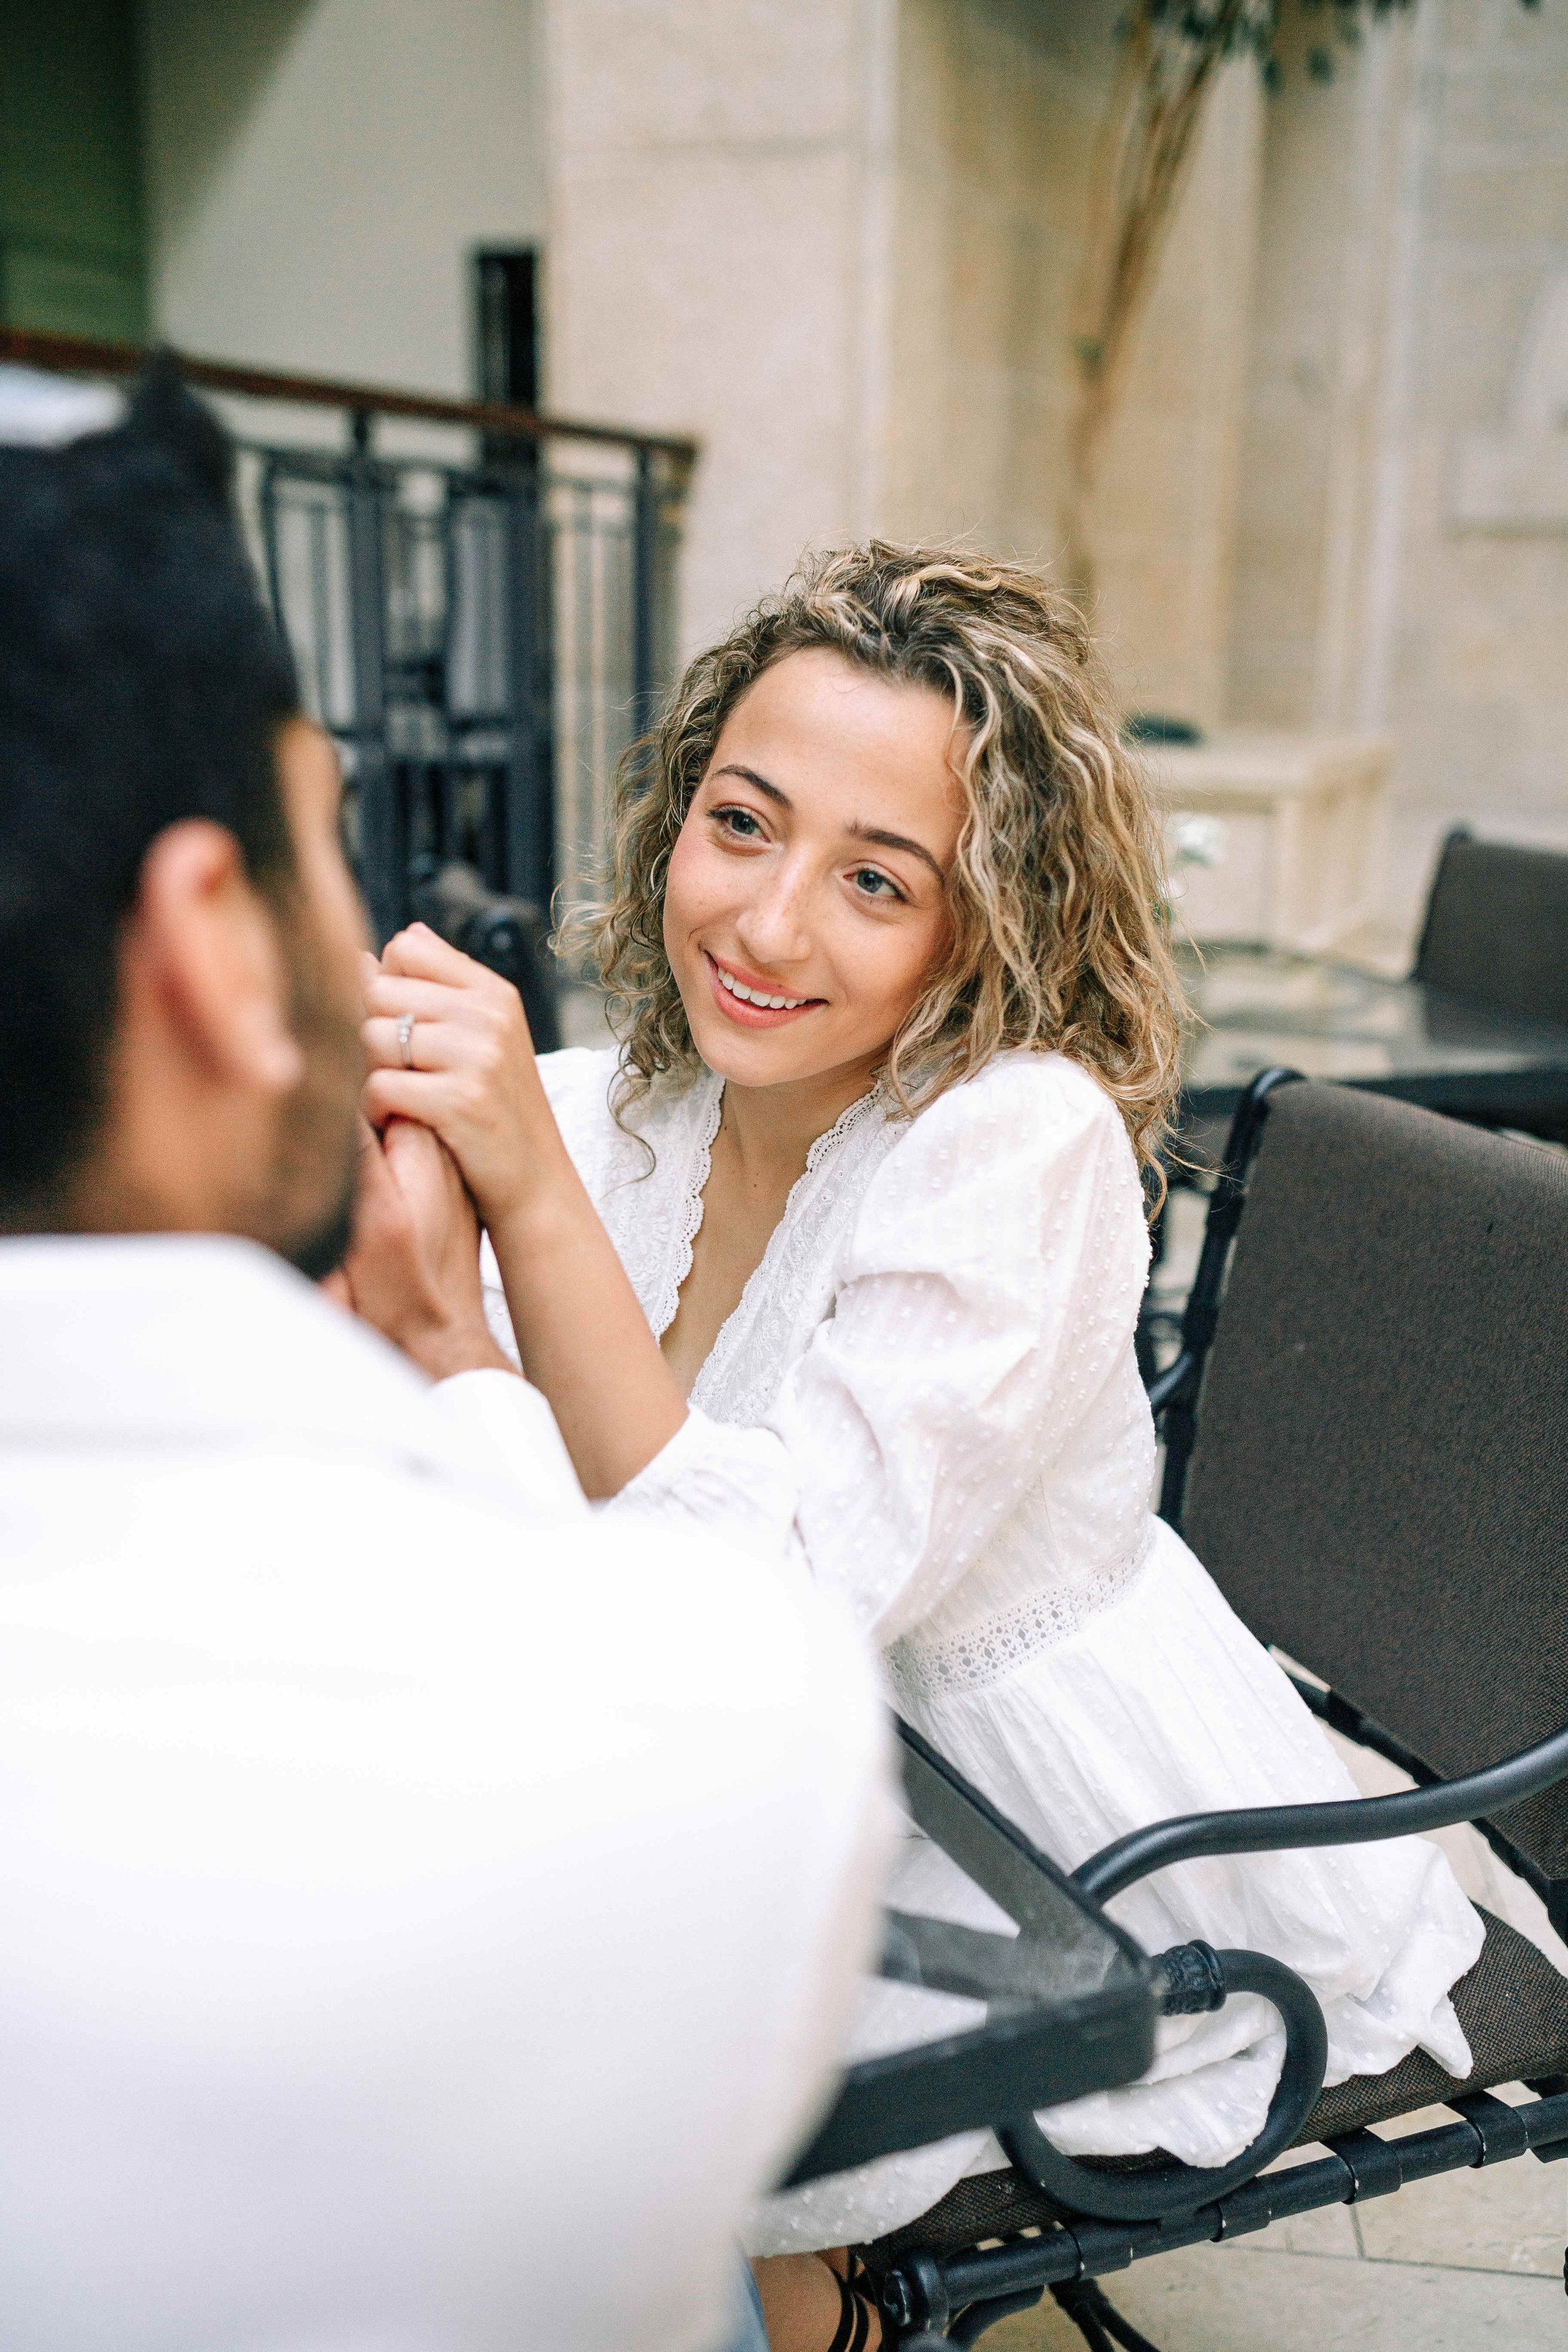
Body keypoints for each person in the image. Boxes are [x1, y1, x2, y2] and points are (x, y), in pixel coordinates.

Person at [355, 542, 1486, 2352]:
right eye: (741, 824)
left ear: (988, 924)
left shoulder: (1016, 1147)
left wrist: (507, 1233)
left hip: (1048, 1846)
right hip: (779, 1763)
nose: (765, 926)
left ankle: (812, 2316)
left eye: (876, 880)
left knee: (556, 2057)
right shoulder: (647, 1098)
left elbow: (773, 1618)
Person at [0, 363, 894, 2352]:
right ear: (212, 947)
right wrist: (434, 1342)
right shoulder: (718, 1725)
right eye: (327, 838)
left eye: (869, 873)